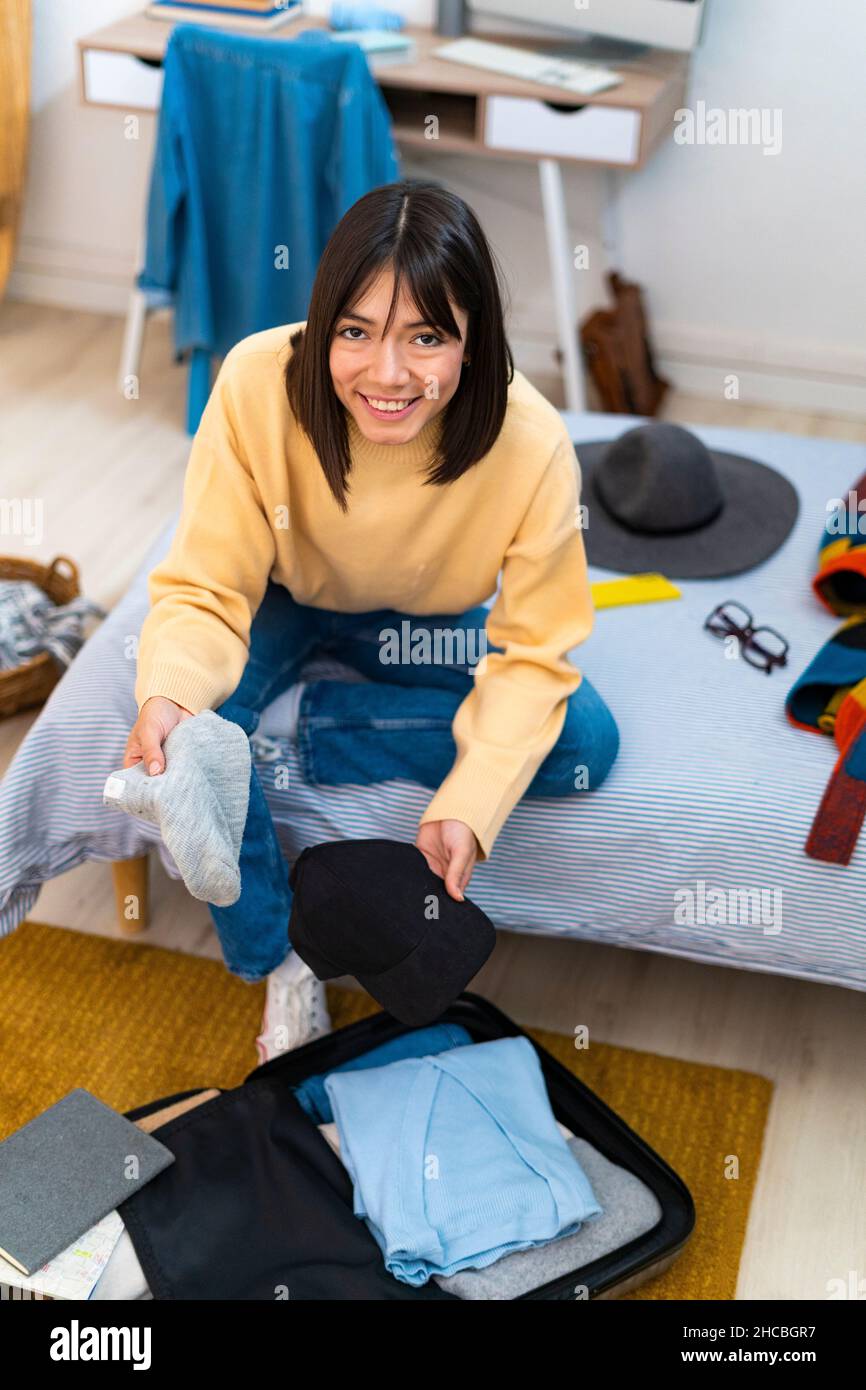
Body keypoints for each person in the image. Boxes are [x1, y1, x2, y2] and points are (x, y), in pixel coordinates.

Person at [123, 178, 619, 1060]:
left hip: (425, 617)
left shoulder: (531, 442)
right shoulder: (253, 383)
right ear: (322, 325)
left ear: (474, 340)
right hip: (282, 593)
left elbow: (537, 652)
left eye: (426, 337)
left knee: (584, 741)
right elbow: (204, 587)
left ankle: (292, 734)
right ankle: (277, 959)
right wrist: (172, 699)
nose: (386, 376)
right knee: (193, 729)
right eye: (356, 332)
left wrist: (470, 801)